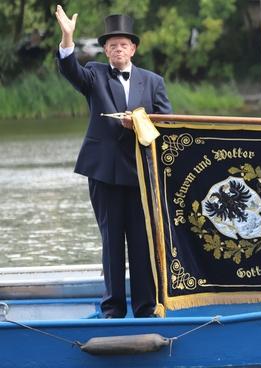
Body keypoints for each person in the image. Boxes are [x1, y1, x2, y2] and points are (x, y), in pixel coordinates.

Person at [55, 5, 172, 318]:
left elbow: (167, 124)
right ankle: (113, 310)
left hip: (141, 174)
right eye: (111, 45)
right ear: (105, 50)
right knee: (111, 242)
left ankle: (147, 308)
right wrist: (68, 38)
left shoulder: (153, 81)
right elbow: (71, 71)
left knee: (143, 242)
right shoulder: (94, 74)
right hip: (104, 171)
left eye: (123, 44)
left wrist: (141, 124)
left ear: (133, 48)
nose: (118, 49)